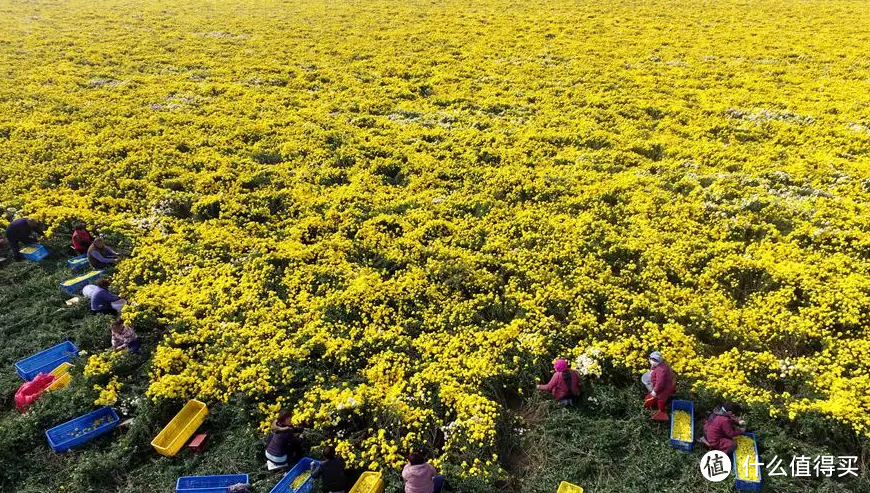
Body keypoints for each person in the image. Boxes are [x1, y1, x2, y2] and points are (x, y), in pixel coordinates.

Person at [643, 351, 676, 421]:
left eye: (652, 360)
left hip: (664, 389)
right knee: (653, 397)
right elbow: (653, 368)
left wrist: (655, 391)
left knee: (661, 400)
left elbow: (660, 383)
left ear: (657, 361)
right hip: (664, 386)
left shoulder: (661, 370)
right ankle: (655, 404)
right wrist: (652, 371)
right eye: (650, 359)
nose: (650, 361)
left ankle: (662, 412)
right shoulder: (659, 365)